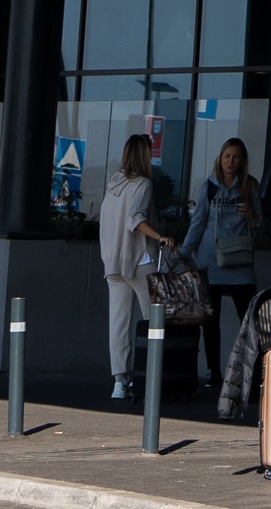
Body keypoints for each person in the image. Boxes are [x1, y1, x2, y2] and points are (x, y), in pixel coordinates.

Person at [188, 135, 263, 362]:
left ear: (243, 161)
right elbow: (198, 222)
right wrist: (183, 253)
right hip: (210, 261)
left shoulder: (249, 185)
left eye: (236, 157)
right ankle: (214, 372)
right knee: (211, 321)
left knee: (249, 320)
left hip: (240, 262)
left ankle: (254, 370)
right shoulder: (208, 187)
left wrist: (253, 216)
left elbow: (260, 223)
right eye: (227, 156)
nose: (230, 161)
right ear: (220, 158)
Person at [100, 135, 160, 402]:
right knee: (153, 322)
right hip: (138, 260)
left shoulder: (113, 185)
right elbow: (136, 220)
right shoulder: (143, 184)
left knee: (119, 324)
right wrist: (160, 237)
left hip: (113, 263)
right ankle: (152, 376)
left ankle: (119, 382)